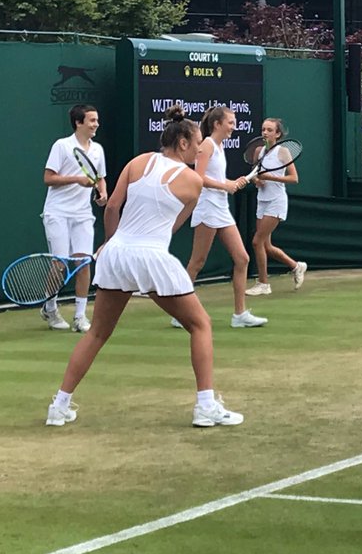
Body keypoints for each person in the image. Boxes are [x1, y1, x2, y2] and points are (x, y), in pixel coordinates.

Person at [45, 105, 242, 428]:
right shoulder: (193, 181)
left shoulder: (137, 162)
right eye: (196, 144)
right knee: (201, 325)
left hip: (117, 254)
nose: (199, 149)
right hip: (150, 256)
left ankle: (59, 406)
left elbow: (112, 208)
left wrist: (110, 243)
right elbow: (171, 227)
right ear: (182, 143)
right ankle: (206, 406)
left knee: (97, 332)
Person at [171, 105, 267, 330]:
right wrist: (226, 186)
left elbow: (216, 177)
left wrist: (233, 182)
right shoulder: (206, 145)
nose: (234, 126)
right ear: (217, 124)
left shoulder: (219, 146)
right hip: (207, 208)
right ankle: (178, 312)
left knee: (242, 258)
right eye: (230, 122)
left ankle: (240, 314)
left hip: (221, 208)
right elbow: (198, 178)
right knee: (197, 262)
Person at [40, 104, 108, 333]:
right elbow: (48, 178)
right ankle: (50, 308)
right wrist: (77, 180)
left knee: (83, 263)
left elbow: (100, 177)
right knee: (59, 265)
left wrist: (103, 192)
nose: (96, 124)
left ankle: (80, 316)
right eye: (92, 120)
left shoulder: (97, 149)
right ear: (79, 123)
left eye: (96, 120)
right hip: (57, 212)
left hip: (83, 214)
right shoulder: (62, 146)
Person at [245, 118, 308, 296]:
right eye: (263, 129)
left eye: (270, 130)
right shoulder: (258, 151)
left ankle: (263, 284)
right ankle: (296, 266)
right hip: (262, 200)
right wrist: (257, 181)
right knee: (266, 246)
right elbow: (255, 174)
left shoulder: (283, 152)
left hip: (276, 201)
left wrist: (270, 178)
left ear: (278, 134)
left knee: (257, 241)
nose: (265, 133)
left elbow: (294, 178)